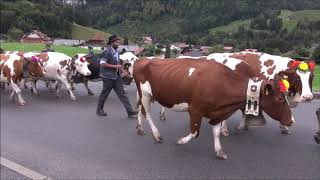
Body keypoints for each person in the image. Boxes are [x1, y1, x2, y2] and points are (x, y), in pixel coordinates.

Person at [96, 35, 138, 118]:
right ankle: (99, 110)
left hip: (116, 76)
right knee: (104, 94)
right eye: (116, 42)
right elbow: (102, 63)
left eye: (118, 42)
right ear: (112, 43)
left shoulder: (116, 52)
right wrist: (115, 67)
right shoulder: (107, 52)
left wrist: (123, 71)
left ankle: (130, 111)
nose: (118, 44)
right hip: (108, 77)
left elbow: (118, 64)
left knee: (122, 94)